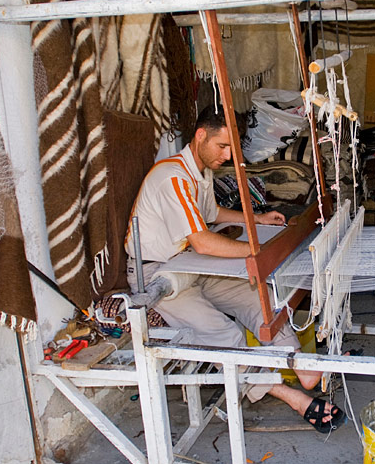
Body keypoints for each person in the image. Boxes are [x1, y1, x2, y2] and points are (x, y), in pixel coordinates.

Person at [125, 105, 346, 433]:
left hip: (190, 265)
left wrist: (256, 219)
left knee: (260, 299)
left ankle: (299, 364)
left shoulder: (200, 171)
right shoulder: (172, 175)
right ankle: (294, 398)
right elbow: (202, 241)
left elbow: (212, 214)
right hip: (160, 275)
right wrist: (258, 251)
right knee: (225, 335)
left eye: (232, 148)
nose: (227, 156)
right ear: (200, 136)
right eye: (222, 146)